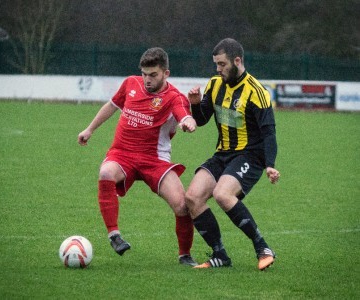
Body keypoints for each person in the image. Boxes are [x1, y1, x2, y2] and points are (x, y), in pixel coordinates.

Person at [78, 47, 198, 266]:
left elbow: (183, 115)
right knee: (105, 172)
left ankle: (185, 255)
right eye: (144, 74)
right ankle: (114, 235)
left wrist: (187, 122)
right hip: (122, 154)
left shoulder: (174, 97)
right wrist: (89, 129)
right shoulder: (130, 84)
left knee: (182, 206)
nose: (147, 79)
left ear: (166, 74)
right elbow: (111, 106)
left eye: (153, 75)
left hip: (155, 160)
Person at [185, 38, 280, 270]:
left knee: (222, 194)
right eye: (216, 64)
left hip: (250, 155)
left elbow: (269, 132)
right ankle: (220, 255)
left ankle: (263, 247)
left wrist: (270, 164)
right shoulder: (215, 83)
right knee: (192, 197)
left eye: (222, 64)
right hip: (223, 154)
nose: (218, 69)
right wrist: (195, 104)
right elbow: (202, 119)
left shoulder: (257, 92)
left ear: (237, 61)